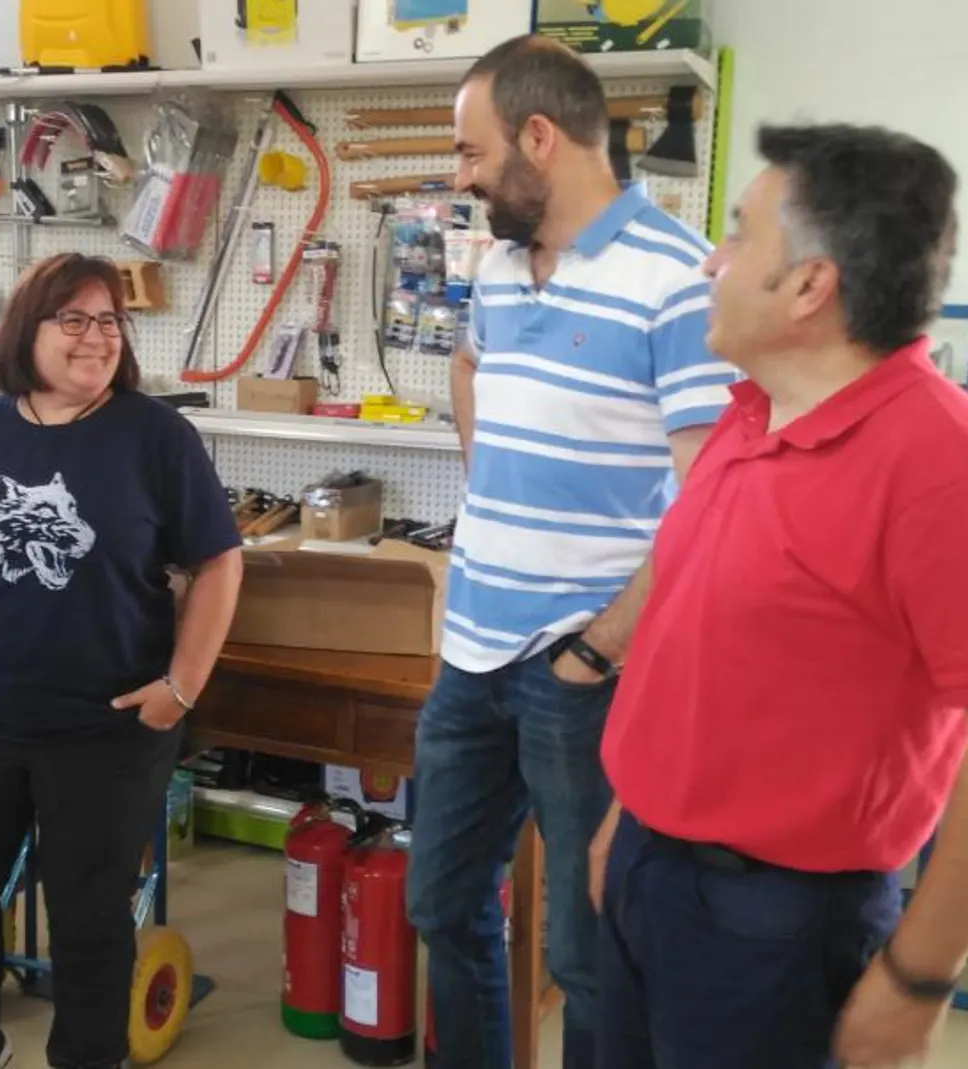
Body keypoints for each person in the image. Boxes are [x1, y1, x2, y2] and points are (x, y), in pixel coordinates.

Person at [594, 123, 968, 1069]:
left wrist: (918, 976)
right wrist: (630, 817)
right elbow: (687, 648)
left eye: (737, 236)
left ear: (811, 287)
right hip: (653, 869)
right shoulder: (749, 414)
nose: (711, 265)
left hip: (774, 923)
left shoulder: (944, 465)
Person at [408, 35, 737, 1069]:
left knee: (593, 952)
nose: (458, 176)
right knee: (440, 906)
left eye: (470, 152)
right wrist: (493, 485)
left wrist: (600, 646)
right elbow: (470, 366)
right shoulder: (499, 269)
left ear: (538, 139)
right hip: (470, 655)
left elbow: (714, 499)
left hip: (584, 670)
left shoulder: (677, 278)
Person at [0, 253, 245, 1069]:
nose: (96, 337)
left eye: (109, 320)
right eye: (73, 319)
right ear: (26, 332)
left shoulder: (157, 438)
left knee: (88, 915)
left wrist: (182, 686)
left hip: (106, 726)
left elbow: (220, 563)